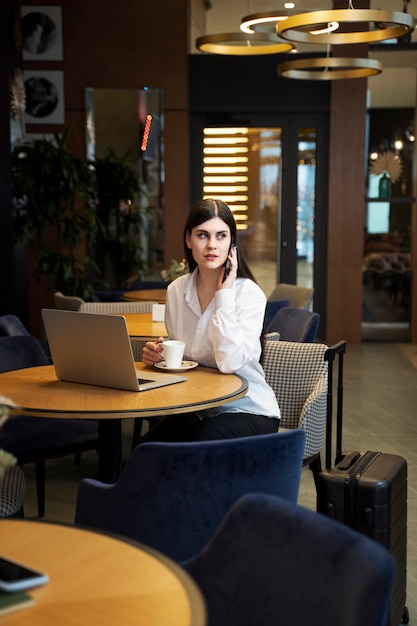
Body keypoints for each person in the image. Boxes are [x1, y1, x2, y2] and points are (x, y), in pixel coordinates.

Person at [141, 198, 280, 442]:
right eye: (203, 235)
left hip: (246, 408)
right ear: (188, 239)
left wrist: (224, 295)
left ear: (232, 243)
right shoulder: (176, 291)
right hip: (196, 407)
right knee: (146, 447)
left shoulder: (248, 294)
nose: (212, 245)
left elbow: (230, 363)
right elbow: (186, 360)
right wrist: (160, 356)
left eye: (221, 236)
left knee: (190, 448)